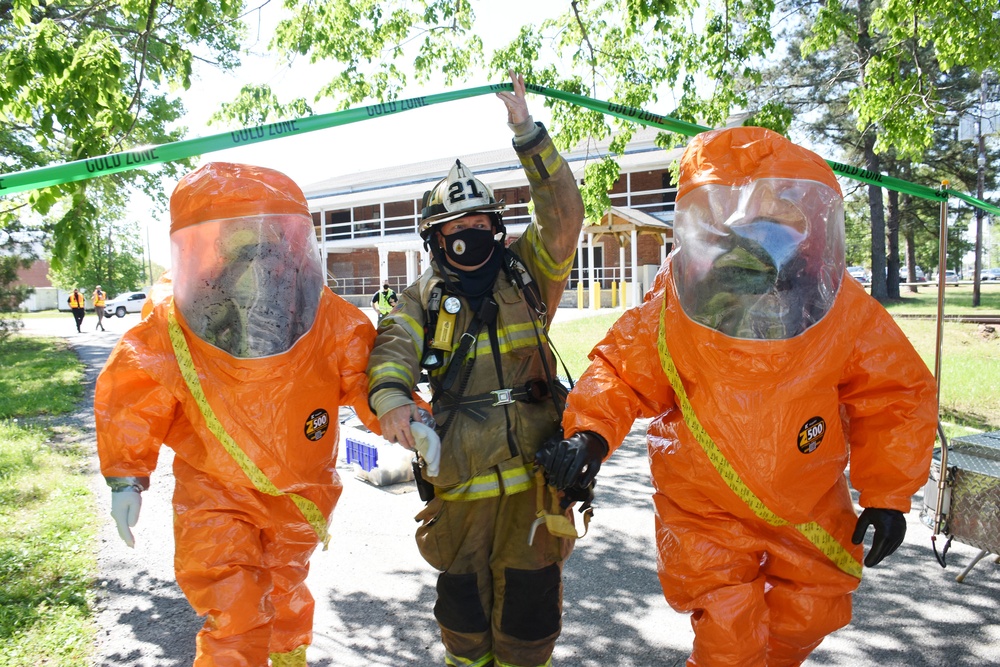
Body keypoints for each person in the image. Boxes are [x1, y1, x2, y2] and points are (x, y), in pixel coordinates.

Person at [540, 126, 938, 666]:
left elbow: (895, 393)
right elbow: (620, 371)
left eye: (776, 231)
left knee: (813, 614)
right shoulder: (674, 308)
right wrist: (589, 435)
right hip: (705, 507)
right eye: (749, 232)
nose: (762, 249)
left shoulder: (841, 307)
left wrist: (888, 495)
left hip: (807, 501)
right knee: (729, 634)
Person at [94, 162, 379, 666]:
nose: (257, 266)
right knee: (234, 611)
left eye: (267, 245)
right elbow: (135, 394)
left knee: (286, 592)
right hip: (215, 493)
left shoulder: (325, 315)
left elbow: (367, 377)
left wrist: (407, 417)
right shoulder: (177, 323)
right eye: (243, 246)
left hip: (298, 492)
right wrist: (126, 477)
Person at [366, 70, 584, 667]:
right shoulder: (421, 299)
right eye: (453, 231)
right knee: (462, 617)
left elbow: (563, 214)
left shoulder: (530, 273)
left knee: (530, 621)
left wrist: (527, 133)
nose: (468, 238)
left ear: (497, 227)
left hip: (536, 485)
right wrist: (394, 402)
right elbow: (392, 350)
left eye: (478, 226)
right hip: (459, 488)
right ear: (435, 241)